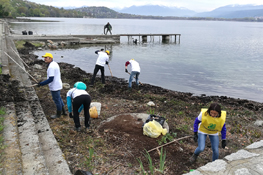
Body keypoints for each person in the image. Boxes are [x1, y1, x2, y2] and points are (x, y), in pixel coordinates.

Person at [38, 53, 66, 119]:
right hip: (58, 84)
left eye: (46, 57)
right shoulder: (54, 63)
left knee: (57, 100)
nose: (44, 59)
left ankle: (58, 114)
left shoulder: (51, 67)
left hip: (55, 86)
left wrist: (41, 84)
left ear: (50, 58)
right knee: (59, 98)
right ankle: (64, 112)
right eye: (44, 57)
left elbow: (51, 79)